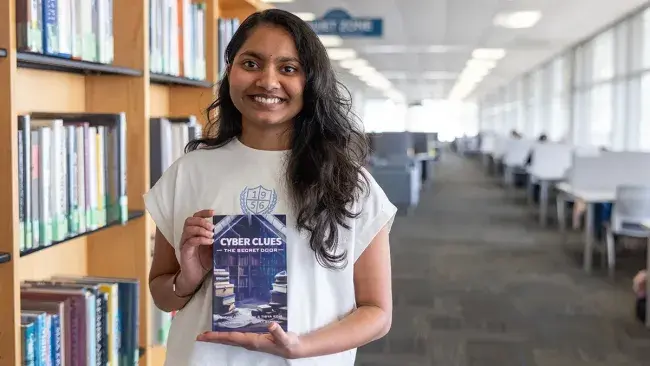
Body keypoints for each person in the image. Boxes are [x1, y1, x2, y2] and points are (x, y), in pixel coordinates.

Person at [143, 9, 397, 366]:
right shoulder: (189, 172)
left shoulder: (349, 184)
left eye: (288, 68)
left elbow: (377, 312)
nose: (267, 80)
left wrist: (300, 347)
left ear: (310, 82)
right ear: (230, 71)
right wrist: (189, 277)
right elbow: (163, 297)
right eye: (251, 63)